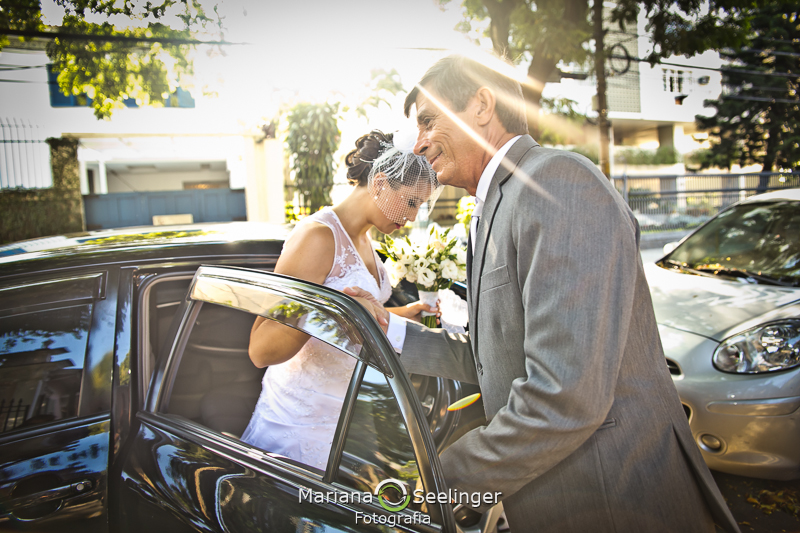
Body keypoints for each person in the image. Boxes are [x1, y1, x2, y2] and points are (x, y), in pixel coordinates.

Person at [346, 56, 740, 532]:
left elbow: (564, 395)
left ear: (482, 105)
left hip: (616, 499)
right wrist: (389, 327)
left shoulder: (557, 182)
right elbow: (496, 360)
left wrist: (434, 486)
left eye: (429, 120)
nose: (420, 141)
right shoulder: (493, 208)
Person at [242, 130, 442, 470]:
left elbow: (355, 314)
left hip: (350, 421)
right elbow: (261, 350)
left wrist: (401, 313)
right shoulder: (318, 237)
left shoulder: (364, 239)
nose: (411, 217)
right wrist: (340, 312)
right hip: (298, 427)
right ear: (380, 183)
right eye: (411, 202)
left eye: (420, 206)